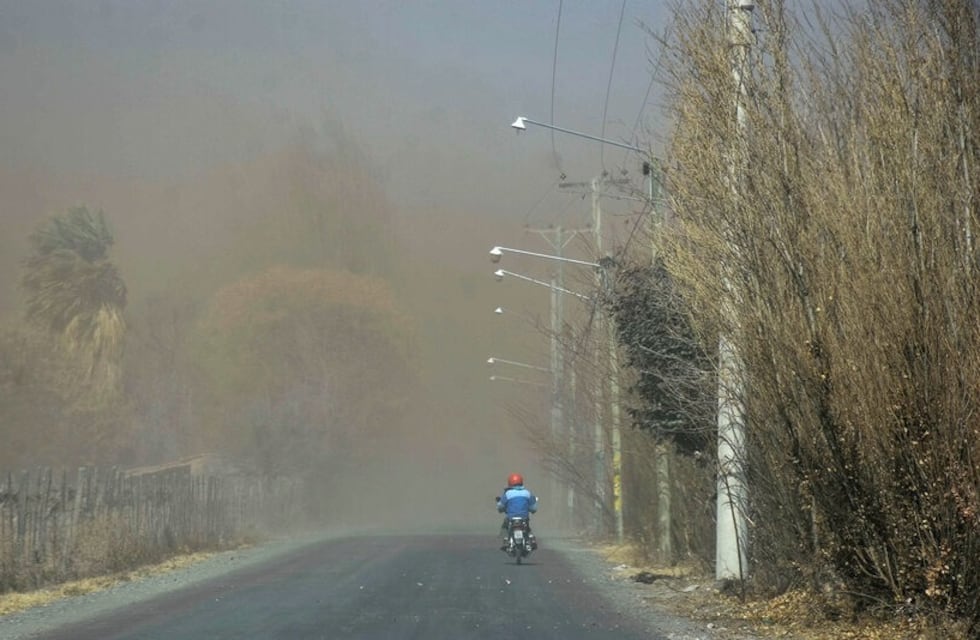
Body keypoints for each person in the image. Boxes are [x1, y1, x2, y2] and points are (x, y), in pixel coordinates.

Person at [496, 473, 538, 550]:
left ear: (510, 482)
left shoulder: (508, 494)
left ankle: (505, 540)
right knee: (527, 528)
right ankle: (532, 539)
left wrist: (501, 508)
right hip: (524, 517)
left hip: (511, 518)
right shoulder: (527, 493)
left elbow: (500, 506)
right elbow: (534, 508)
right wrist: (530, 509)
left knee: (505, 526)